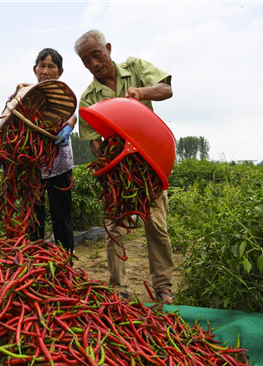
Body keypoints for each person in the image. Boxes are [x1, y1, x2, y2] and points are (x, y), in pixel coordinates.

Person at [74, 29, 175, 304]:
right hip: (119, 172)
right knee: (114, 229)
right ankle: (119, 287)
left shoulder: (135, 69)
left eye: (96, 54)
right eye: (86, 60)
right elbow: (94, 143)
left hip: (148, 165)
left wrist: (141, 92)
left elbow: (166, 89)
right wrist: (110, 157)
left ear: (108, 48)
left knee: (156, 225)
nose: (93, 63)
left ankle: (163, 287)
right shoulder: (89, 98)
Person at [11, 48, 76, 255]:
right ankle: (35, 258)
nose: (45, 71)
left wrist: (69, 126)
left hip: (59, 163)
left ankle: (66, 260)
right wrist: (17, 92)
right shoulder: (28, 93)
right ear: (34, 69)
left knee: (61, 214)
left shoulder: (63, 95)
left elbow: (75, 113)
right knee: (33, 214)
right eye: (42, 66)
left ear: (60, 71)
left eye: (51, 66)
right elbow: (11, 112)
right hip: (32, 164)